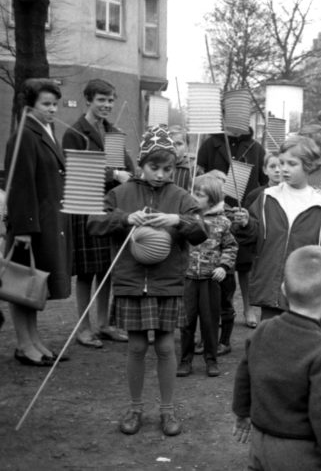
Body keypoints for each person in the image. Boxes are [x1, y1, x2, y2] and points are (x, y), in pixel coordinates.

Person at [88, 125, 207, 436]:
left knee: (166, 347)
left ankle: (167, 412)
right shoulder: (120, 194)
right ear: (140, 164)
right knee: (137, 347)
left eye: (167, 168)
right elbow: (93, 222)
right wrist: (125, 218)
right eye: (154, 167)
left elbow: (201, 231)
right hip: (130, 280)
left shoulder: (181, 196)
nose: (160, 174)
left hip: (166, 281)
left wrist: (178, 220)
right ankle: (135, 408)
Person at [232, 245, 321, 471]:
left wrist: (241, 413)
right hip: (299, 452)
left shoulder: (262, 331)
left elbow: (244, 376)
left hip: (260, 441)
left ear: (284, 289)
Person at [236, 136, 321, 338]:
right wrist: (246, 224)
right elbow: (253, 236)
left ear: (308, 166)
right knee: (269, 343)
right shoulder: (267, 197)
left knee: (299, 347)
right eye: (281, 162)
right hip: (271, 287)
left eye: (292, 164)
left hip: (304, 291)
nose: (284, 168)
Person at [4, 78, 73, 366]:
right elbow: (20, 186)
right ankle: (23, 345)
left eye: (55, 104)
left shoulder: (46, 131)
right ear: (30, 105)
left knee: (35, 283)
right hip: (29, 225)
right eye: (47, 104)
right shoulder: (23, 135)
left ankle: (34, 340)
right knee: (21, 284)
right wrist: (24, 229)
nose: (53, 109)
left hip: (45, 221)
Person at [62, 78, 134, 348]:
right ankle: (83, 328)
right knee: (86, 272)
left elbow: (126, 165)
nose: (107, 105)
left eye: (111, 100)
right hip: (84, 205)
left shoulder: (113, 131)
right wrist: (114, 173)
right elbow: (73, 168)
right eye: (102, 100)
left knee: (106, 269)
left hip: (109, 206)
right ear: (88, 101)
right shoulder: (74, 132)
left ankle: (104, 324)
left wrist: (131, 174)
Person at [196, 127, 267, 336]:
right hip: (215, 211)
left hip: (243, 211)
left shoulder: (255, 147)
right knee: (217, 265)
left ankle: (248, 308)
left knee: (244, 265)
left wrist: (250, 210)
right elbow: (199, 175)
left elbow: (263, 182)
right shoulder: (210, 144)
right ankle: (218, 311)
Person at [178, 174, 238, 378]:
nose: (194, 197)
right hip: (187, 278)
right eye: (193, 192)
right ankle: (185, 360)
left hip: (210, 280)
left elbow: (231, 247)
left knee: (210, 321)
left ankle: (211, 360)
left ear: (211, 198)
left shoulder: (222, 222)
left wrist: (223, 266)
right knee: (186, 322)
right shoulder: (186, 217)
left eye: (199, 194)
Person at [169, 125, 192, 191]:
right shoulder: (160, 167)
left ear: (187, 146)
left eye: (179, 144)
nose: (174, 147)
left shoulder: (192, 169)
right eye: (171, 144)